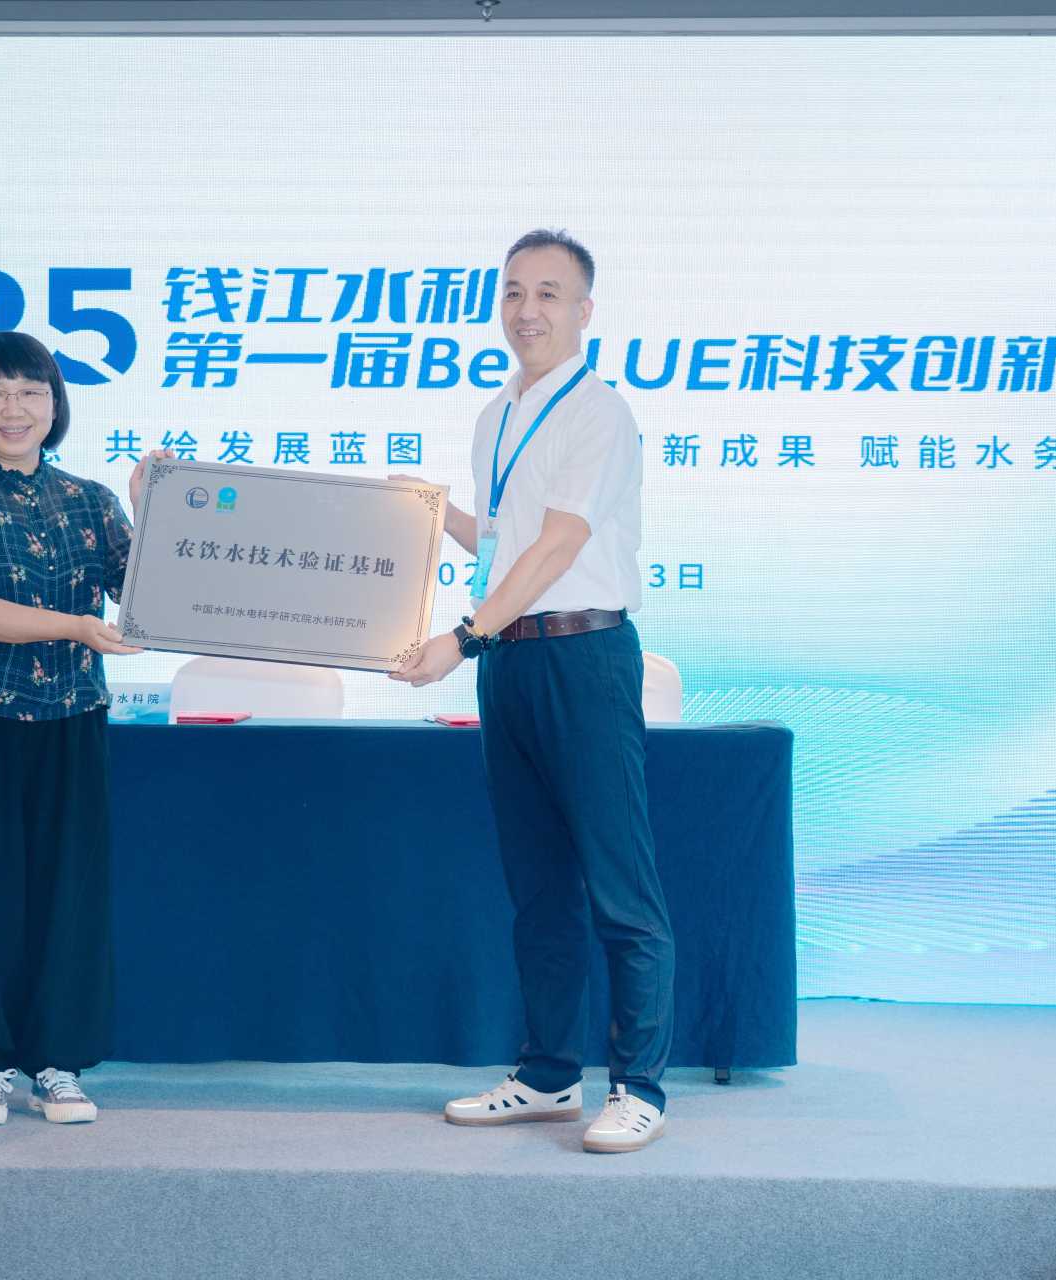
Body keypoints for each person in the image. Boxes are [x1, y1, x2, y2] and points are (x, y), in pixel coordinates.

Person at [392, 229, 675, 1153]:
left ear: (585, 311)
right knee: (539, 886)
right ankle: (550, 1074)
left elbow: (559, 545)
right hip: (512, 661)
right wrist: (423, 515)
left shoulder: (600, 413)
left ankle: (638, 1087)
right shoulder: (496, 415)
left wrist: (464, 637)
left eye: (549, 293)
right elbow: (506, 543)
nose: (528, 310)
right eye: (513, 292)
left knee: (619, 887)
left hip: (583, 658)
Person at [0, 329, 161, 1126]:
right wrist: (77, 626)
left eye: (30, 392)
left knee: (66, 891)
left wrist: (153, 510)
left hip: (68, 713)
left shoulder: (90, 500)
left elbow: (147, 595)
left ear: (55, 405)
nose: (13, 409)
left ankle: (57, 1060)